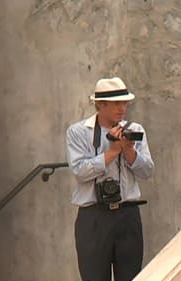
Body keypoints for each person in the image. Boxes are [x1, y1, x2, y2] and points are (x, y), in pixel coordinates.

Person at [66, 77, 154, 281]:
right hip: (93, 217)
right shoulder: (78, 132)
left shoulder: (135, 130)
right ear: (100, 104)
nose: (122, 108)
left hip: (128, 215)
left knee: (131, 277)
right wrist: (112, 152)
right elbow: (79, 171)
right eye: (116, 103)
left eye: (125, 102)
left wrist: (129, 151)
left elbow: (147, 171)